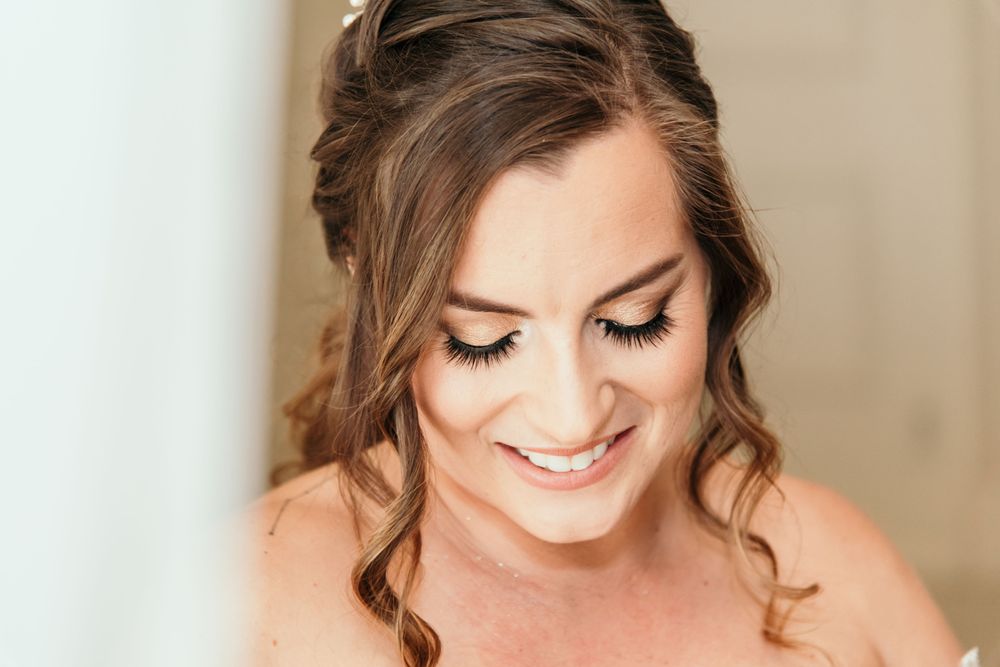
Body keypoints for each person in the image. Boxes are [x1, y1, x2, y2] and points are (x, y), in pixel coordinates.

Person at [243, 1, 976, 665]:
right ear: (368, 281)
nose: (572, 416)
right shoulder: (241, 609)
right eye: (482, 337)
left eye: (634, 320)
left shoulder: (835, 566)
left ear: (712, 265)